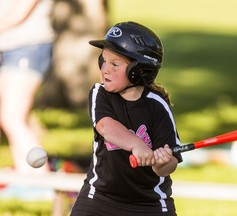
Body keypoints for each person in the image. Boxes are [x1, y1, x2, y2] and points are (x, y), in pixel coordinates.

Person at [70, 21, 183, 216]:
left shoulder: (157, 106)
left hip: (150, 204)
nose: (105, 69)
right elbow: (106, 127)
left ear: (138, 70)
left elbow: (168, 167)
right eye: (103, 61)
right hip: (100, 197)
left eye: (115, 64)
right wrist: (136, 144)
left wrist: (161, 162)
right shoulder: (101, 93)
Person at [0, 0, 54, 174]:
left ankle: (41, 179)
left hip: (29, 46)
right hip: (8, 48)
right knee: (14, 118)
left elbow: (19, 12)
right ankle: (25, 178)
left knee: (12, 117)